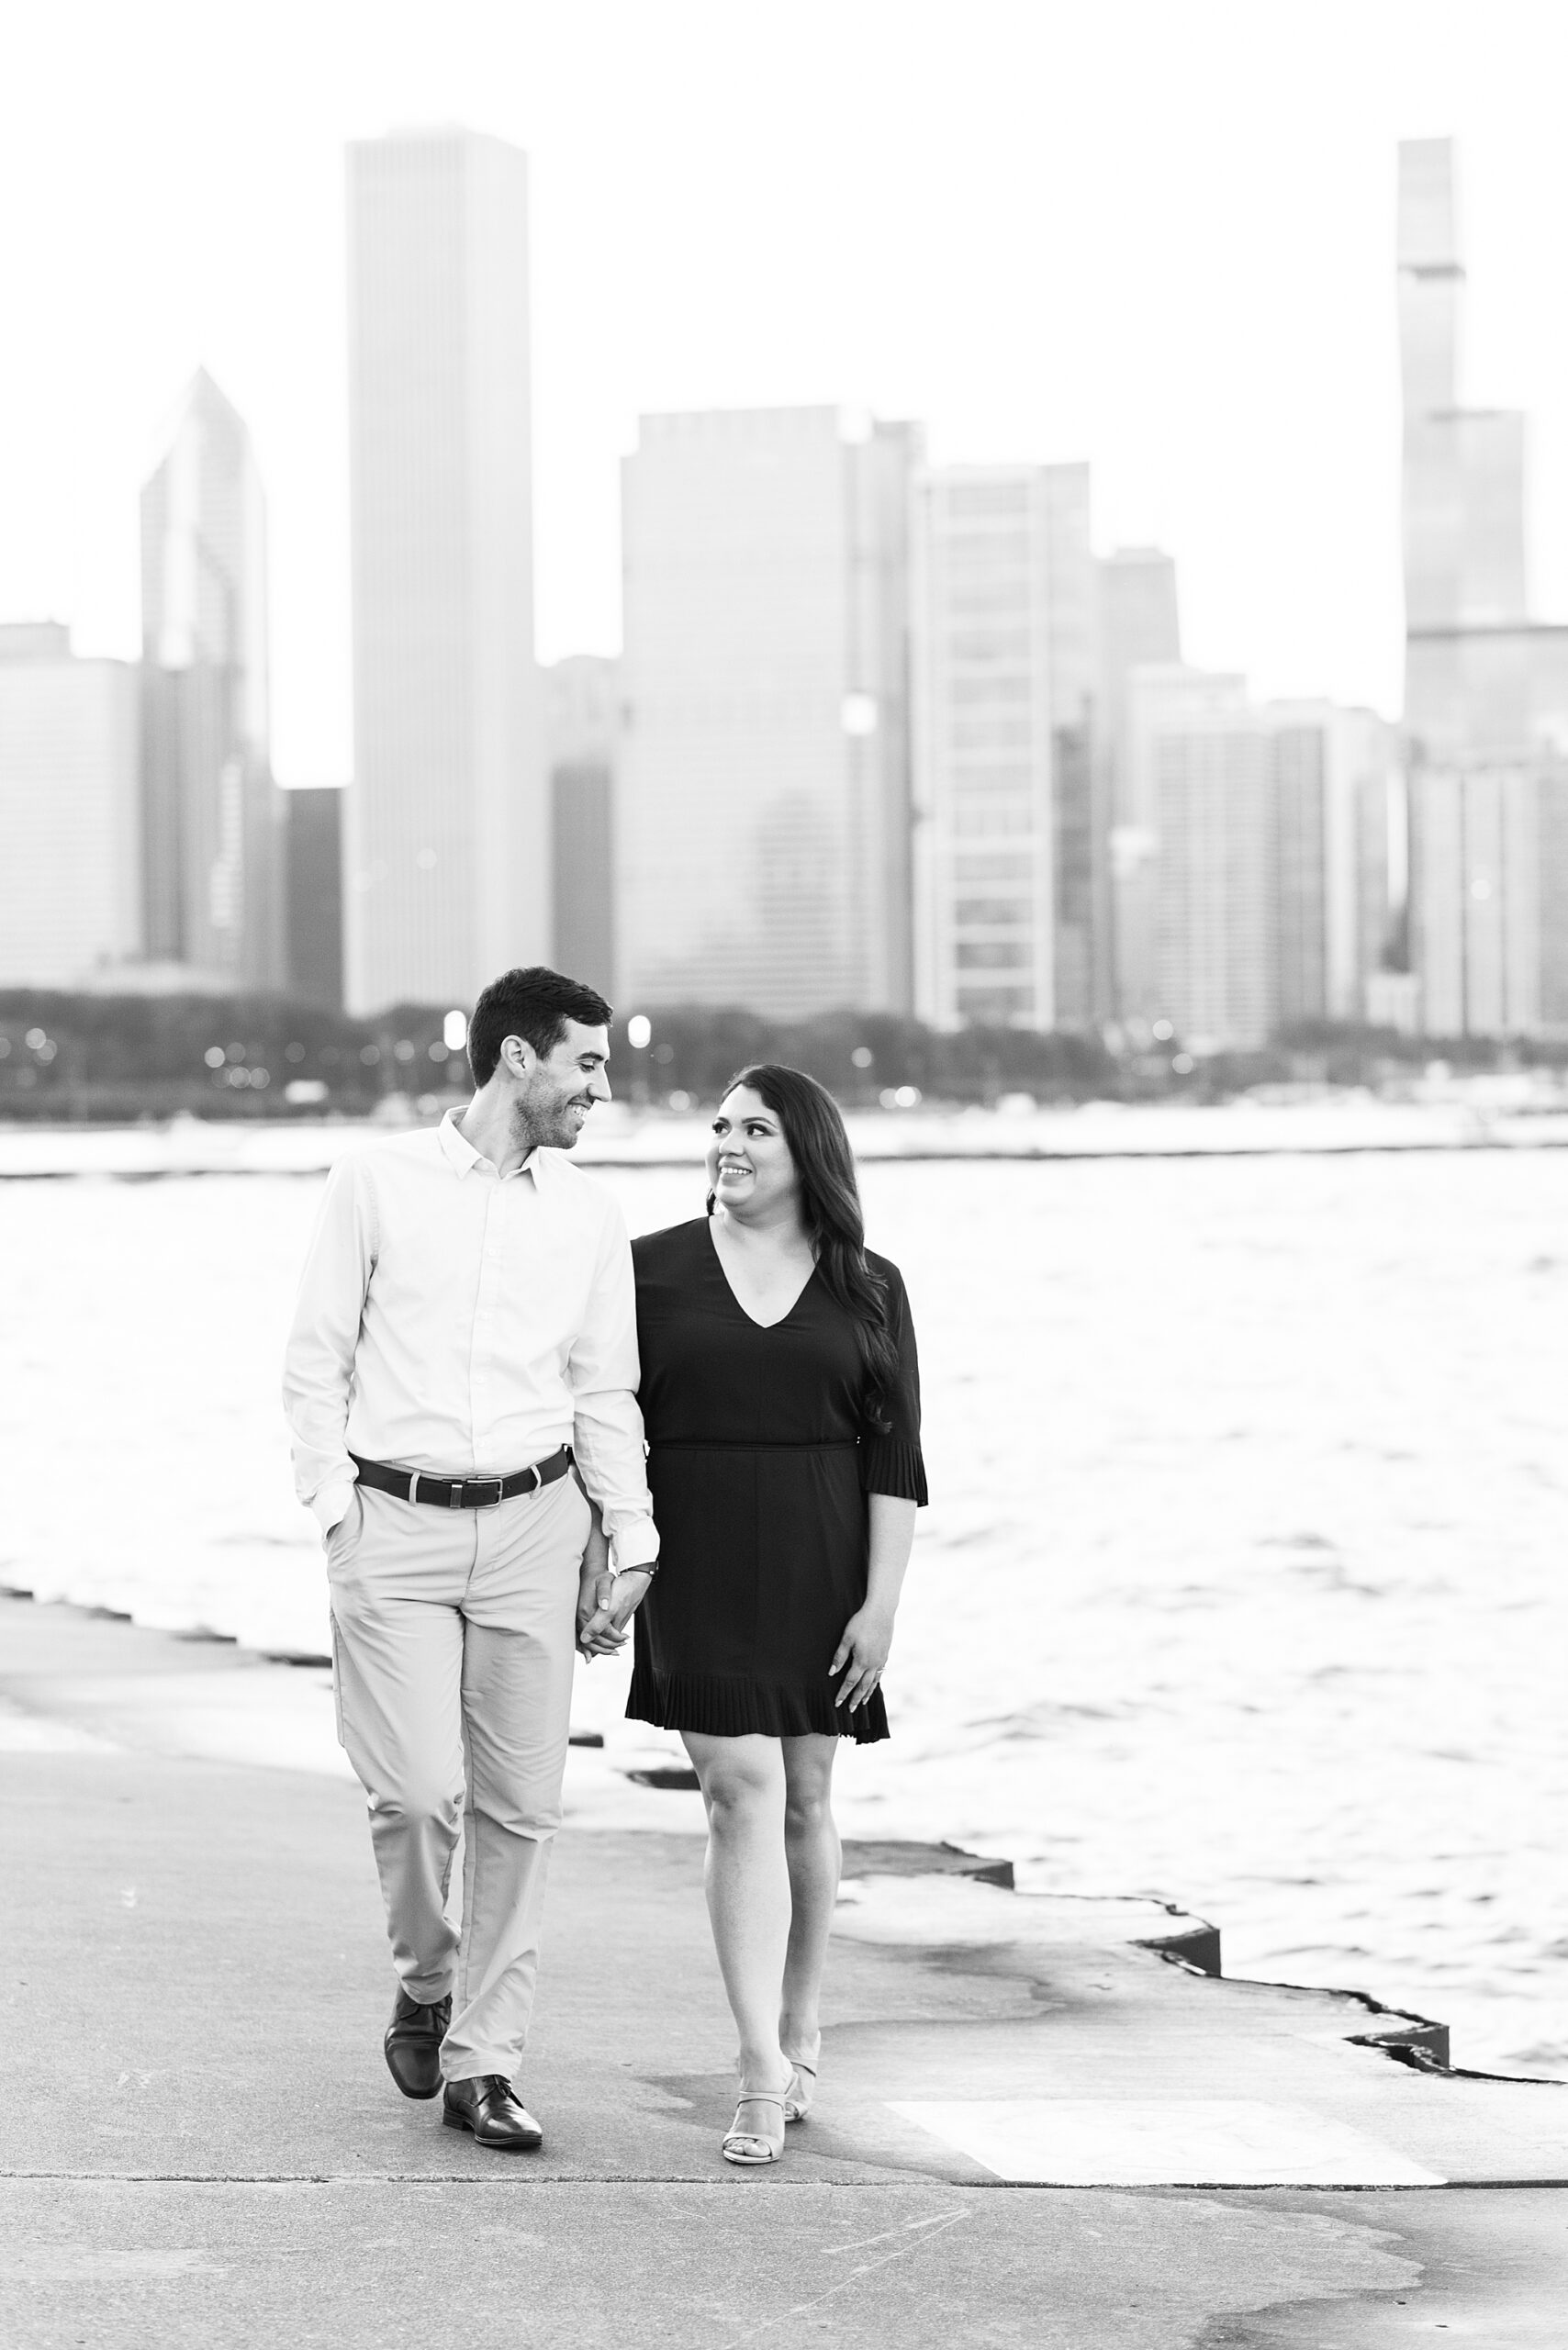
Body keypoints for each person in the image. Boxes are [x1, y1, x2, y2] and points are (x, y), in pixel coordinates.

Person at [282, 967, 658, 2153]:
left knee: (520, 1812)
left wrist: (630, 1536)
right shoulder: (373, 1182)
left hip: (539, 1527)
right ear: (518, 1060)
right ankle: (427, 1976)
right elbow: (313, 1361)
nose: (604, 1086)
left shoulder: (589, 1217)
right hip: (392, 1527)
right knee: (416, 1792)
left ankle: (484, 2066)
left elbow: (605, 1391)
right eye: (587, 1064)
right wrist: (334, 1510)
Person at [609, 1063, 926, 2165]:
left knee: (804, 1799)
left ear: (808, 1151)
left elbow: (894, 1460)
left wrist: (880, 1610)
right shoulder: (644, 1270)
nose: (726, 1142)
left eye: (754, 1127)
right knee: (737, 1792)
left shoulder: (870, 1284)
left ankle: (801, 2015)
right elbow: (598, 1424)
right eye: (720, 1125)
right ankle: (755, 2064)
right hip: (693, 1555)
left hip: (823, 1559)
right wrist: (612, 1558)